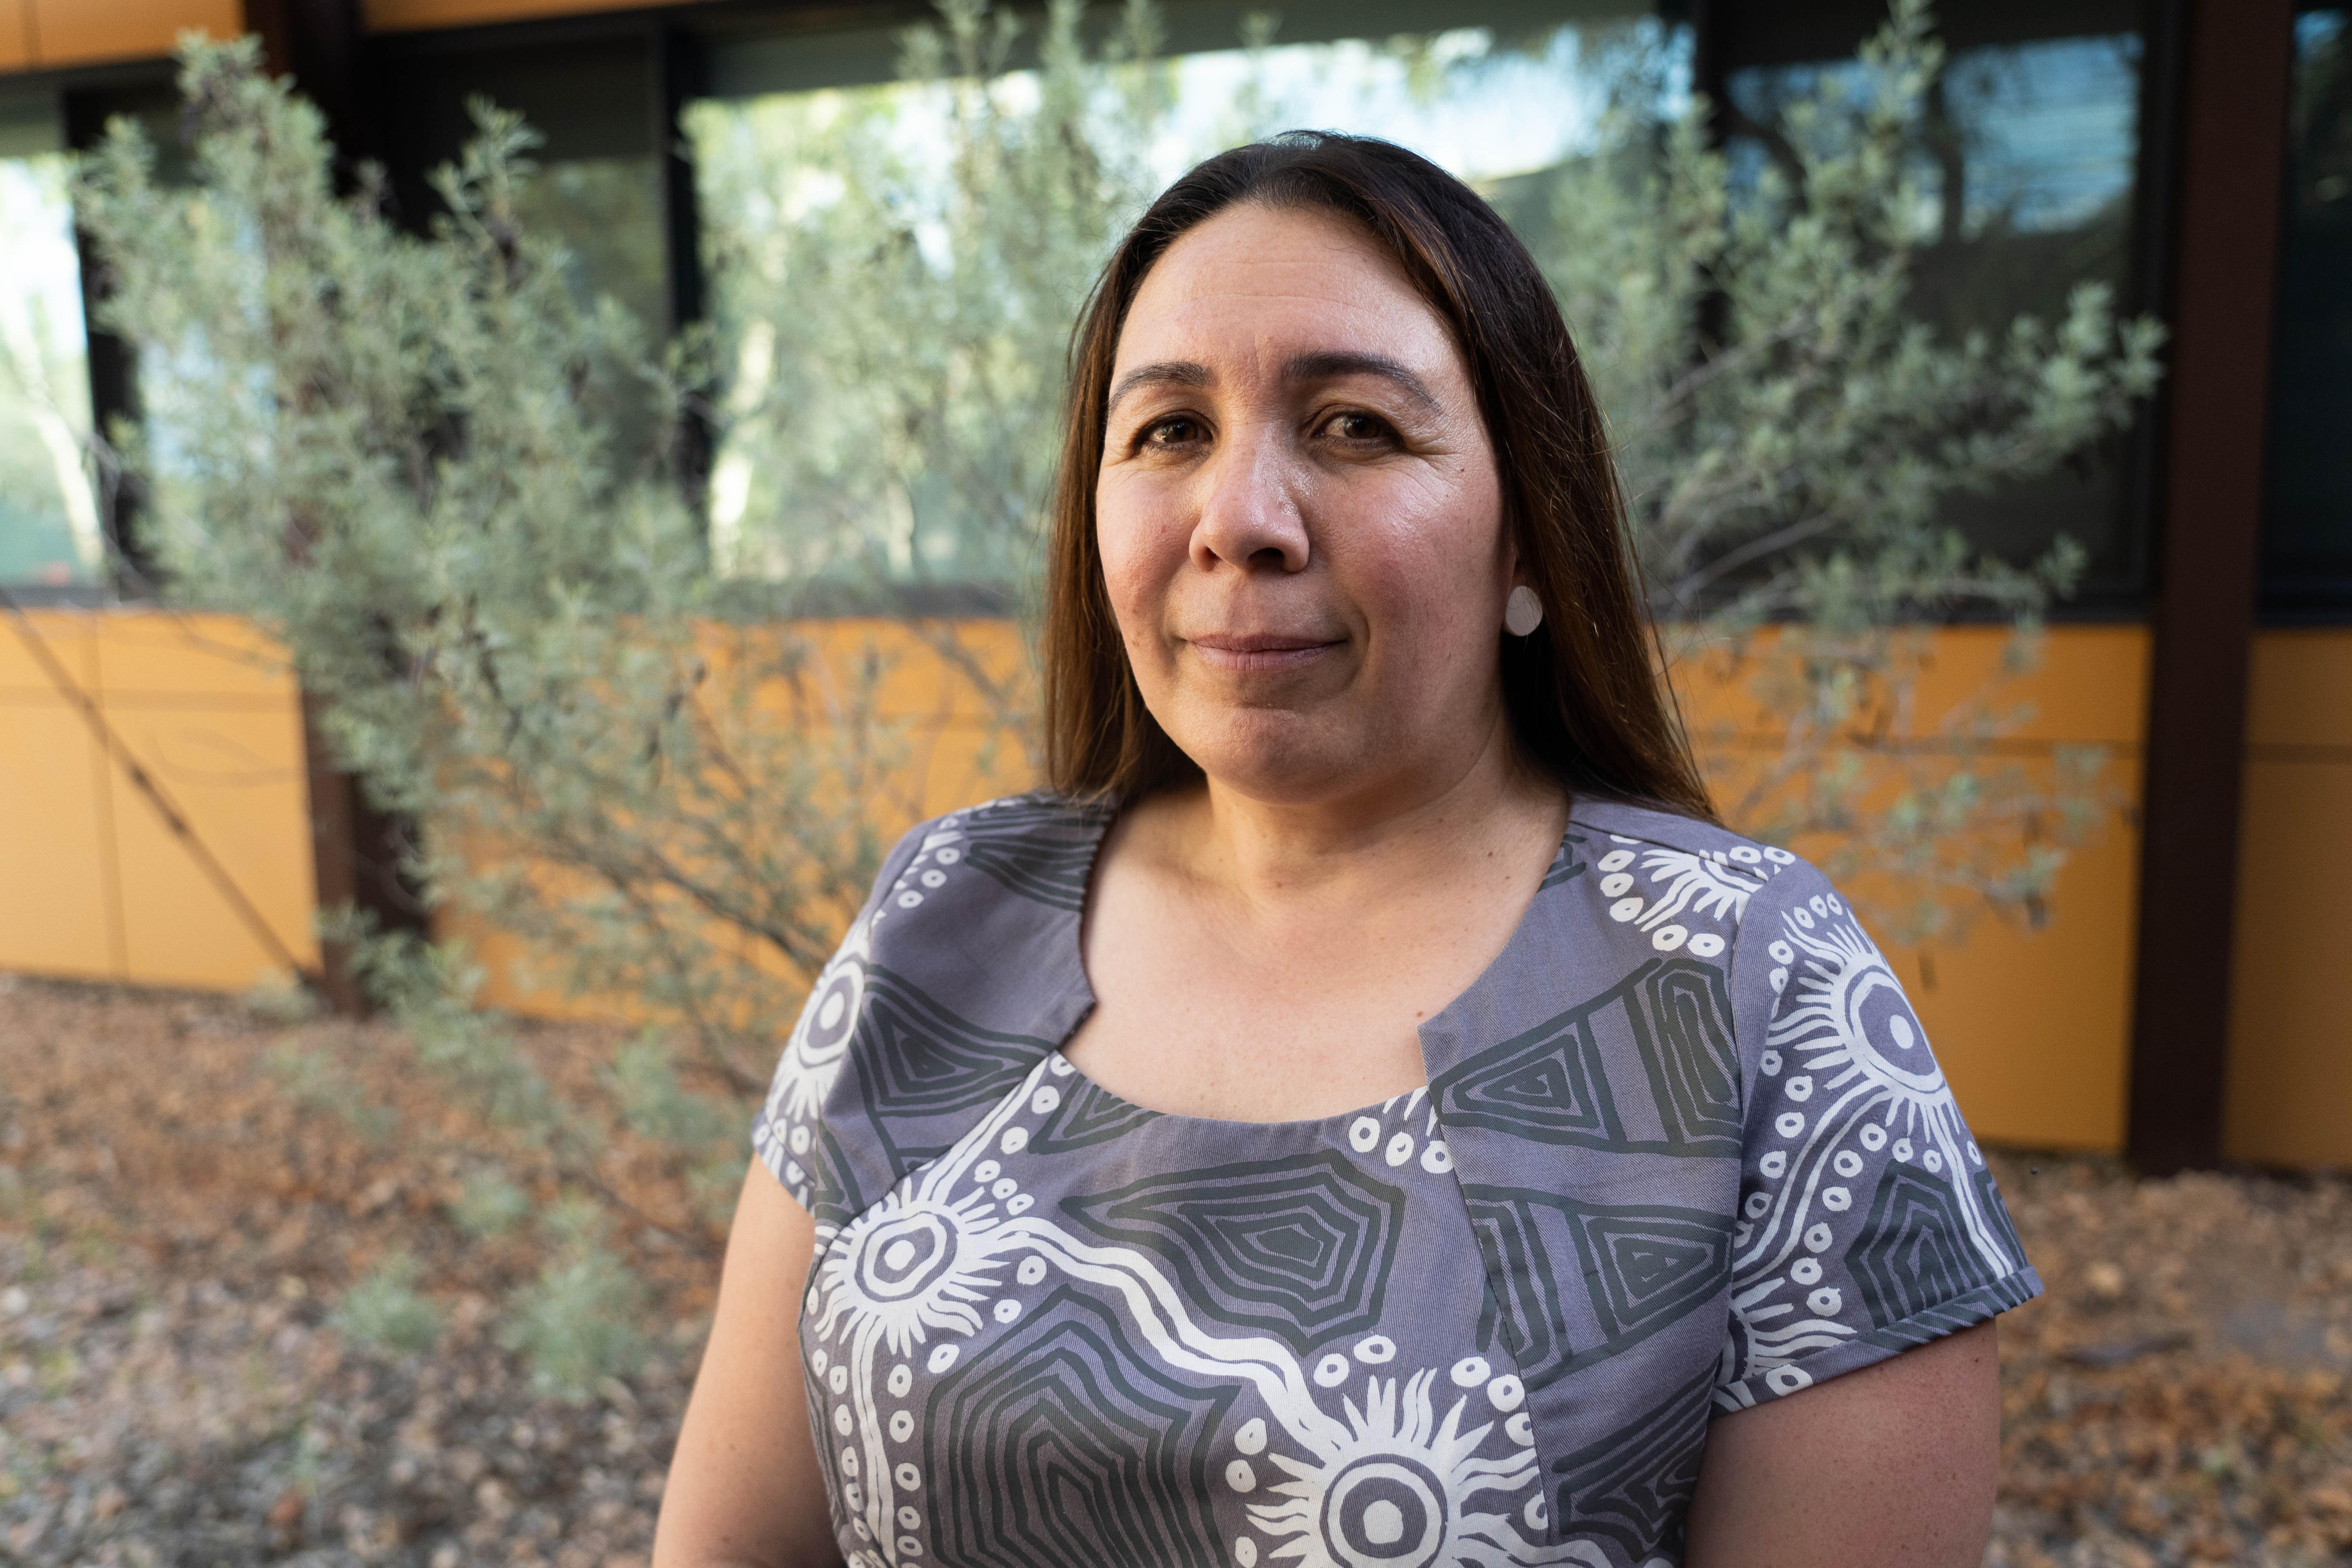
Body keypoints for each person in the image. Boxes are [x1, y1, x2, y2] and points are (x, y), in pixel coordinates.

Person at [653, 132, 2037, 1568]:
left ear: (1528, 543)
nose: (1240, 521)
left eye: (1357, 427)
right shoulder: (943, 920)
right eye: (1170, 431)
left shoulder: (1756, 994)